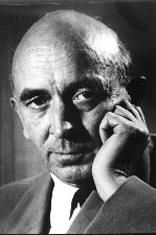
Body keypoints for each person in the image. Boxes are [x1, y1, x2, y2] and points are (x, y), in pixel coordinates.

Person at [0, 9, 156, 234]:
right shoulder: (5, 204)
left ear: (132, 96)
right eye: (37, 101)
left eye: (84, 95)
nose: (61, 126)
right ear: (20, 116)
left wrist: (117, 185)